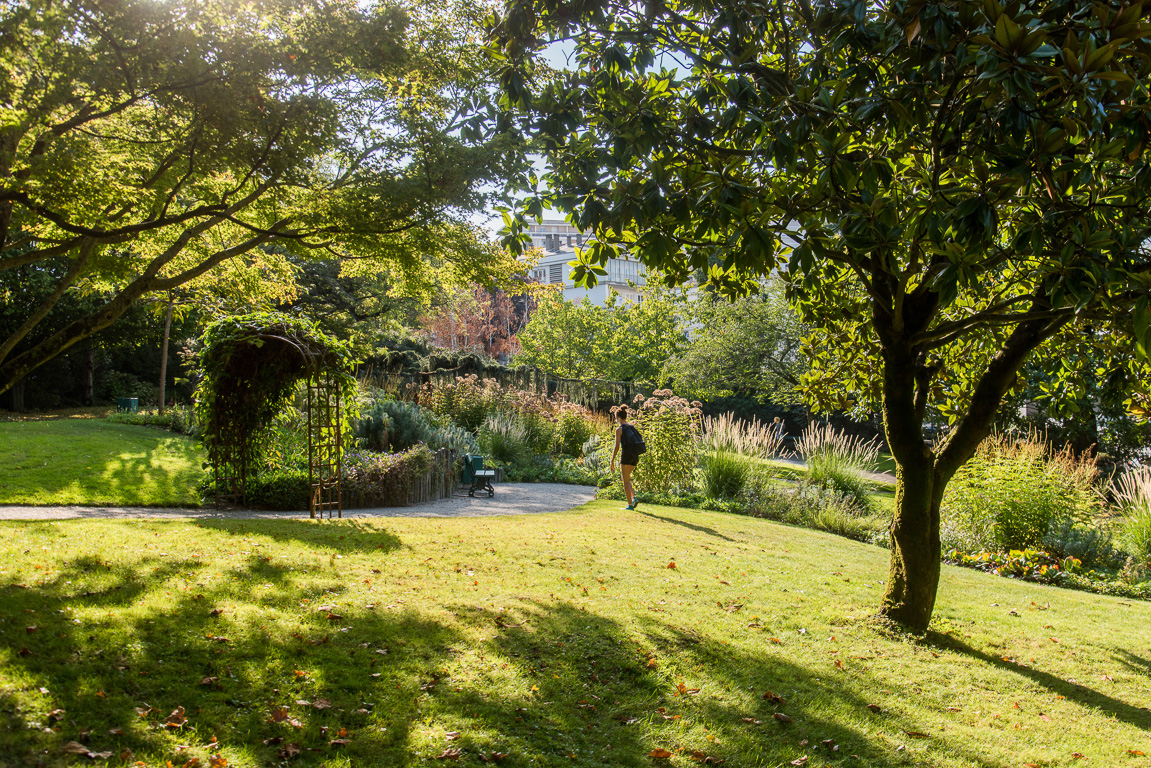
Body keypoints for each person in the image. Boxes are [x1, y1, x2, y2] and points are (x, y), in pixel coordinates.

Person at [611, 407, 641, 511]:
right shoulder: (632, 427)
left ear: (619, 418)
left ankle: (630, 505)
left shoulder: (619, 430)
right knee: (626, 478)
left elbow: (617, 447)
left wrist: (612, 460)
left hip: (626, 456)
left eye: (616, 418)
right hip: (635, 456)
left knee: (625, 481)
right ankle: (633, 497)